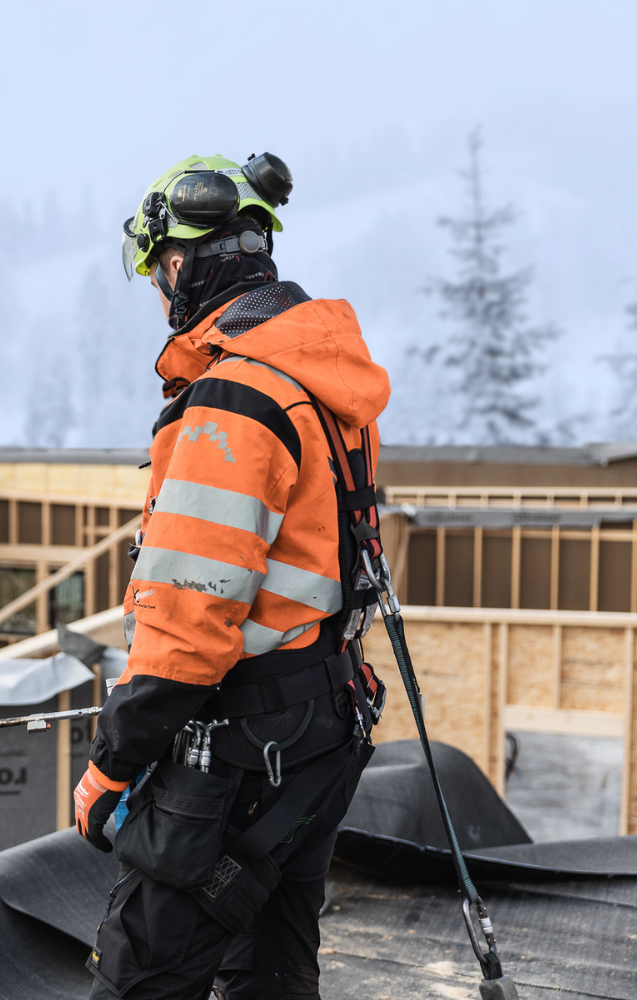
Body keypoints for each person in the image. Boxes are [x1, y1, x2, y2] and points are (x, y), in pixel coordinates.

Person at [73, 153, 392, 1000]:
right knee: (272, 971)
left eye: (158, 275)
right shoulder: (318, 380)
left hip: (243, 754)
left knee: (141, 976)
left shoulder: (233, 401)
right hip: (322, 726)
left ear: (181, 264)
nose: (159, 293)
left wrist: (113, 762)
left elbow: (189, 623)